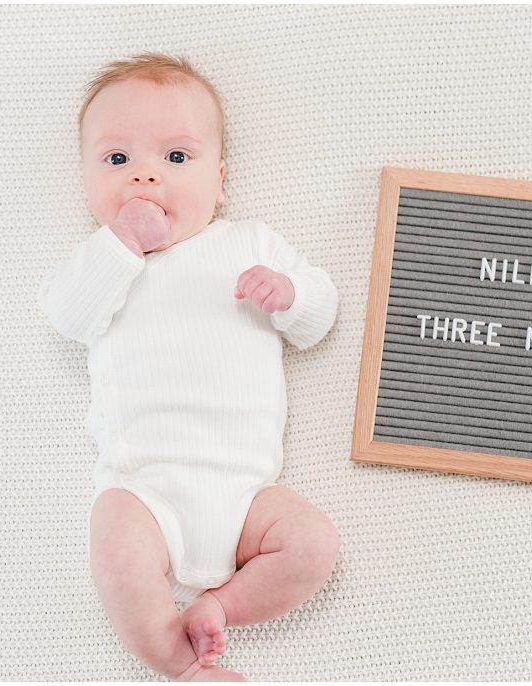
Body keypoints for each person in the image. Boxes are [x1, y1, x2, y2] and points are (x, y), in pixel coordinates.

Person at [38, 53, 340, 681]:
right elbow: (67, 316)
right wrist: (120, 247)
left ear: (220, 178)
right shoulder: (100, 264)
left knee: (313, 546)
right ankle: (182, 665)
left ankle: (219, 609)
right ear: (86, 179)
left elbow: (319, 320)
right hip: (145, 491)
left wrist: (290, 295)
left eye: (176, 158)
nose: (145, 177)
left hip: (246, 496)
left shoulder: (249, 243)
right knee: (114, 545)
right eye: (118, 160)